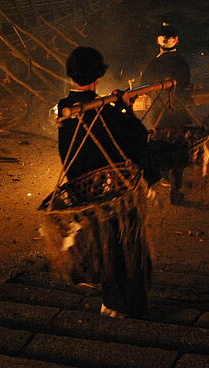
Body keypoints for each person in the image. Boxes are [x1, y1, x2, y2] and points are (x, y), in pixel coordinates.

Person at [57, 47, 157, 318]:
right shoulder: (103, 111)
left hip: (83, 191)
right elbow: (137, 138)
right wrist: (124, 108)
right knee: (123, 248)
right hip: (113, 192)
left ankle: (109, 301)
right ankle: (125, 306)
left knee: (102, 246)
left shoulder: (64, 109)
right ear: (98, 77)